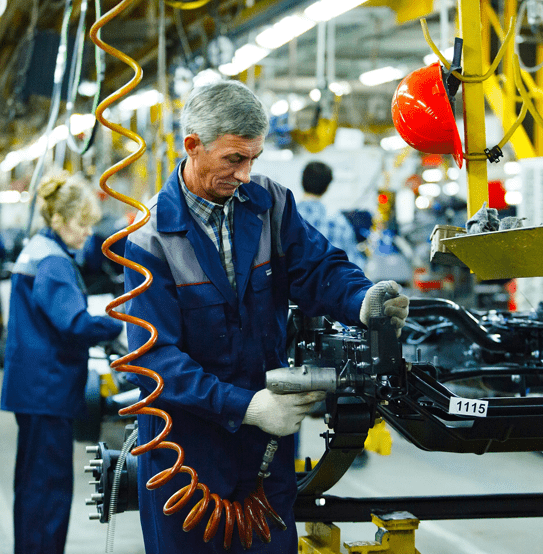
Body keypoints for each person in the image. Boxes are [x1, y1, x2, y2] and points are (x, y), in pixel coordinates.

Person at [123, 79, 409, 554]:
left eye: (253, 159)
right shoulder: (149, 238)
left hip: (266, 447)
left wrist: (362, 300)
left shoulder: (269, 203)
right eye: (234, 159)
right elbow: (154, 361)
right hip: (186, 449)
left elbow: (317, 267)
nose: (245, 173)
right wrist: (248, 407)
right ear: (193, 146)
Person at [0, 172, 124, 554]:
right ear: (60, 221)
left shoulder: (39, 250)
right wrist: (119, 324)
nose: (88, 232)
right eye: (82, 223)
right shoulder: (53, 262)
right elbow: (73, 322)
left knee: (33, 484)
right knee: (49, 488)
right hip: (46, 391)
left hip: (36, 389)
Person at [296, 161, 366, 269]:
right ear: (327, 186)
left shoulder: (283, 217)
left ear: (302, 181)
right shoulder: (339, 222)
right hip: (329, 285)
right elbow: (354, 265)